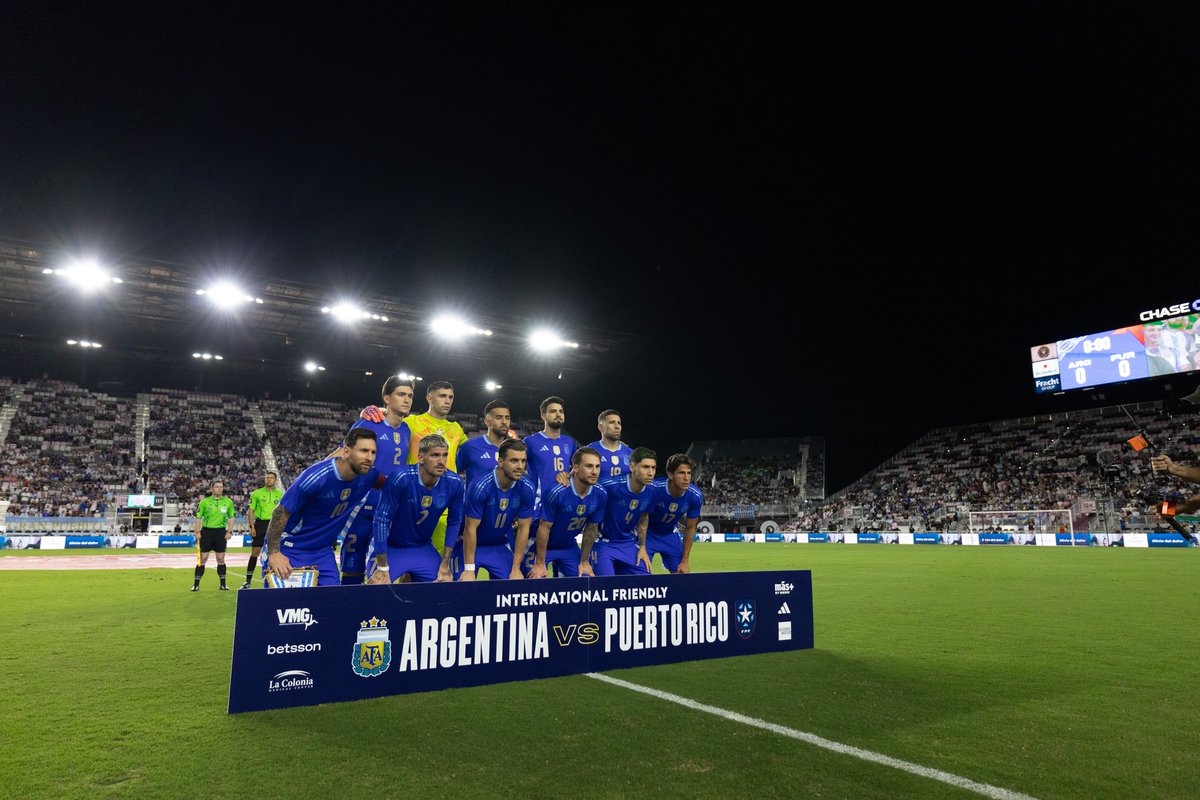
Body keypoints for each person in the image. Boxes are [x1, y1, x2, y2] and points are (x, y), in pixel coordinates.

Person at [262, 428, 382, 587]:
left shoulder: (370, 476)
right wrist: (274, 553)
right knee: (286, 609)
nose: (369, 457)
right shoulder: (316, 478)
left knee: (332, 605)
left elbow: (396, 485)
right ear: (346, 452)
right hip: (291, 548)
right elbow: (280, 513)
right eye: (364, 451)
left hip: (322, 552)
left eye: (373, 452)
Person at [337, 376, 415, 584]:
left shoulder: (407, 429)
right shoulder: (369, 423)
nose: (407, 399)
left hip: (391, 509)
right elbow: (342, 453)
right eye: (401, 394)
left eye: (410, 395)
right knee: (352, 568)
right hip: (362, 505)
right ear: (387, 399)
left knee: (384, 571)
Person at [367, 433, 465, 584]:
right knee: (376, 589)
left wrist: (445, 563)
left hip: (423, 547)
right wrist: (382, 566)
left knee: (444, 588)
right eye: (435, 455)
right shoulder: (401, 478)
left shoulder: (454, 483)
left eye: (445, 455)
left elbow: (454, 522)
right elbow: (381, 520)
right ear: (420, 457)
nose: (441, 461)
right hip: (391, 547)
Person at [453, 438, 535, 581]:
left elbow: (523, 529)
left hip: (498, 545)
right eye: (514, 461)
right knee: (463, 586)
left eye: (523, 461)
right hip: (469, 544)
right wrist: (469, 570)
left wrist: (516, 569)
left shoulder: (527, 488)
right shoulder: (481, 486)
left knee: (514, 586)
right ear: (501, 461)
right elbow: (470, 529)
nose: (520, 466)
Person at [527, 446, 606, 578]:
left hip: (568, 545)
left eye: (597, 467)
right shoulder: (557, 492)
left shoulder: (600, 494)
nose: (594, 471)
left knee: (584, 580)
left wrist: (584, 561)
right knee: (535, 581)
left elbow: (591, 528)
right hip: (539, 545)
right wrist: (540, 563)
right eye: (589, 466)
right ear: (575, 468)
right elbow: (544, 528)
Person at [581, 447, 656, 576]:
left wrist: (642, 547)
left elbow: (644, 517)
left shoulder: (651, 491)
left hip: (628, 543)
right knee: (607, 587)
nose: (650, 473)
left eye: (653, 468)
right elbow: (584, 489)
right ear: (632, 467)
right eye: (645, 467)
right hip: (604, 543)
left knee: (647, 582)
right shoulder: (609, 487)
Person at [645, 454, 703, 573]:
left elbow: (691, 527)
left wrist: (685, 561)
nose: (687, 478)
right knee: (641, 575)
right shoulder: (653, 489)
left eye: (689, 473)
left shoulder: (695, 496)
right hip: (647, 534)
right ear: (670, 475)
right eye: (682, 473)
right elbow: (640, 518)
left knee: (682, 573)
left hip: (669, 534)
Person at [523, 395, 577, 514]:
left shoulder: (569, 441)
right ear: (543, 416)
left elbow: (579, 466)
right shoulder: (530, 441)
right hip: (540, 505)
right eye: (553, 411)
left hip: (565, 501)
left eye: (561, 411)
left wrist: (569, 474)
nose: (558, 414)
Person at [192, 480, 236, 591]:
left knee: (221, 558)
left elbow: (232, 517)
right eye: (217, 487)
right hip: (206, 532)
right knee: (203, 559)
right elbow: (198, 518)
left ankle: (223, 584)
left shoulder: (228, 502)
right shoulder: (204, 502)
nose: (219, 488)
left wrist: (229, 531)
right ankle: (196, 585)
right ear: (212, 489)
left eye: (221, 487)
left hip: (220, 532)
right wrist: (197, 532)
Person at [458, 399, 513, 487]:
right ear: (487, 421)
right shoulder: (470, 446)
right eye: (499, 417)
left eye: (507, 418)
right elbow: (453, 474)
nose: (504, 422)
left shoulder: (514, 449)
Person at [242, 471, 283, 589]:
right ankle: (247, 581)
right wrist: (252, 526)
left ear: (275, 480)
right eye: (267, 477)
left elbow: (283, 511)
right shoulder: (257, 493)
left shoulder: (280, 494)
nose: (269, 479)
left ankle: (278, 579)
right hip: (260, 524)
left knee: (276, 552)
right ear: (265, 479)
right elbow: (251, 510)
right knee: (255, 552)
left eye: (271, 478)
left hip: (275, 525)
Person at [588, 408, 632, 481]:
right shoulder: (589, 451)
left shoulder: (630, 453)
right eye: (612, 422)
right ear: (601, 427)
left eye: (619, 423)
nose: (617, 426)